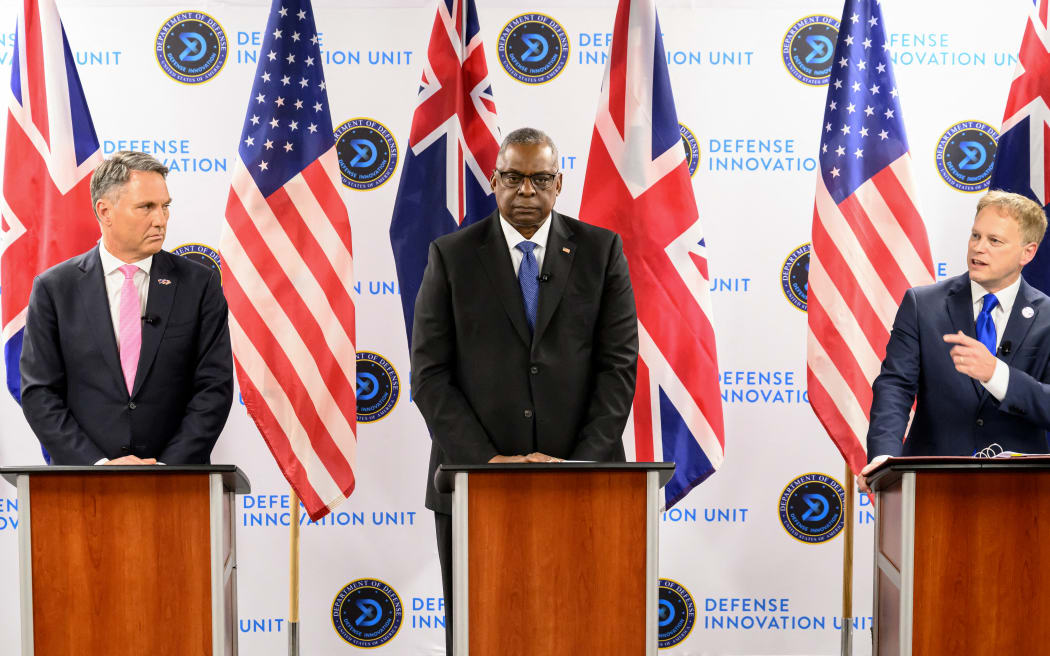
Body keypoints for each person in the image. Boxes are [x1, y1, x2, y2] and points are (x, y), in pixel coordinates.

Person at [410, 127, 638, 651]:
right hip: (473, 485)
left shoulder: (601, 252)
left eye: (539, 179)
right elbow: (429, 373)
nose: (526, 191)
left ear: (560, 183)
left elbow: (618, 368)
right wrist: (486, 465)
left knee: (584, 630)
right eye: (513, 177)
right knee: (481, 633)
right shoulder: (451, 255)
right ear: (494, 181)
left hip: (582, 485)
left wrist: (579, 467)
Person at [20, 151, 233, 465]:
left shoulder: (199, 286)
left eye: (165, 206)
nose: (160, 219)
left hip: (178, 488)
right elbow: (40, 393)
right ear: (105, 211)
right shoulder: (55, 289)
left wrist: (166, 468)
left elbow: (213, 389)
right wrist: (97, 466)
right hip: (83, 487)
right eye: (146, 207)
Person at [858, 190, 1050, 493]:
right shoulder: (923, 305)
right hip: (929, 484)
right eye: (975, 236)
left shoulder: (1047, 318)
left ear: (1028, 252)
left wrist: (997, 375)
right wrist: (885, 459)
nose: (979, 248)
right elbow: (895, 386)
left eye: (994, 241)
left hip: (1020, 491)